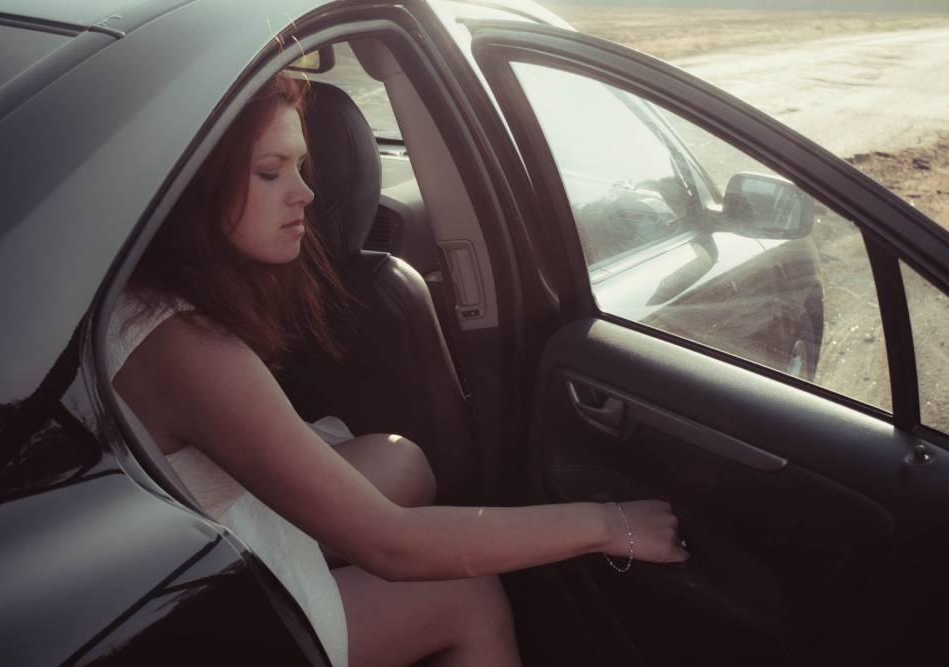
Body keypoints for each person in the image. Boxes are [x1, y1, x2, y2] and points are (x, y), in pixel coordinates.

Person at [107, 72, 689, 667]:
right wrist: (607, 525)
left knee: (401, 461)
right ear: (190, 188)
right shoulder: (191, 352)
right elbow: (394, 548)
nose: (305, 193)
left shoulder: (129, 298)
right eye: (269, 173)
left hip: (185, 541)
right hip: (199, 612)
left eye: (301, 167)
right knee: (467, 596)